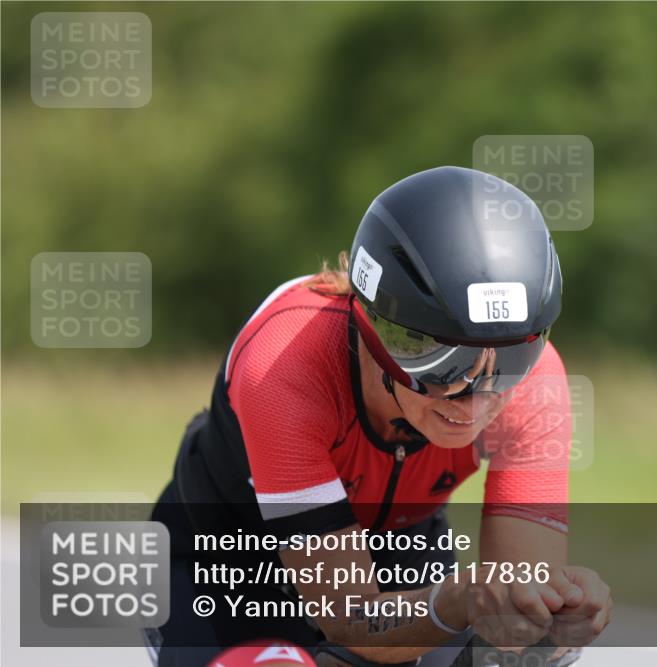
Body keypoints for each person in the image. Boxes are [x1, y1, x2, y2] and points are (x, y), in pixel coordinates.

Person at [147, 167, 612, 667]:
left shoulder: (536, 385)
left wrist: (550, 620)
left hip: (400, 549)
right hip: (229, 561)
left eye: (513, 359)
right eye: (442, 362)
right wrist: (457, 602)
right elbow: (351, 620)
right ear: (373, 328)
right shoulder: (286, 369)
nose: (475, 398)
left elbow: (515, 605)